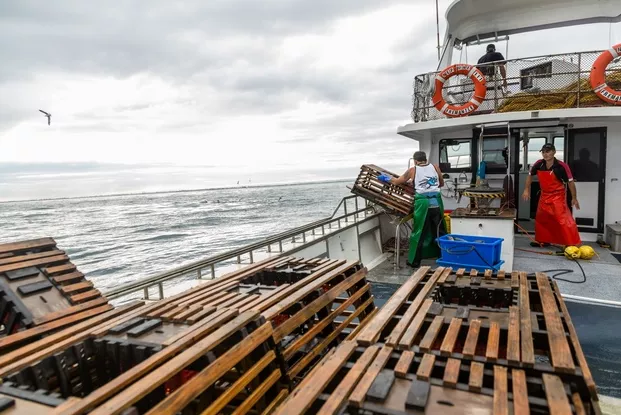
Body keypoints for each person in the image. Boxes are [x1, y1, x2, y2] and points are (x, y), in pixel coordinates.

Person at [378, 151, 447, 267]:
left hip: (423, 204)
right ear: (425, 159)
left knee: (419, 233)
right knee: (440, 231)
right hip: (436, 203)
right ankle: (444, 257)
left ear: (415, 161)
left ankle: (414, 262)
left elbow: (396, 181)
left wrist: (385, 178)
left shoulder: (412, 170)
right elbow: (441, 183)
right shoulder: (435, 167)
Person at [521, 143, 581, 248]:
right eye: (543, 152)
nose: (545, 154)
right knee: (542, 219)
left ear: (554, 152)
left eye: (548, 152)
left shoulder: (562, 166)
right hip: (544, 196)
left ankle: (571, 243)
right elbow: (530, 176)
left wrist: (574, 198)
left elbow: (570, 182)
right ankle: (543, 240)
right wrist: (526, 189)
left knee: (563, 220)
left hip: (558, 196)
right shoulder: (539, 164)